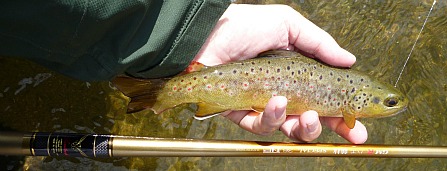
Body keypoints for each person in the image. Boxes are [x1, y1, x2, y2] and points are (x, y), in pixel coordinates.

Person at [0, 1, 367, 144]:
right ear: (358, 103)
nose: (392, 105)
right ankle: (157, 93)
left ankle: (154, 92)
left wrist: (190, 30)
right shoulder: (349, 109)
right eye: (389, 102)